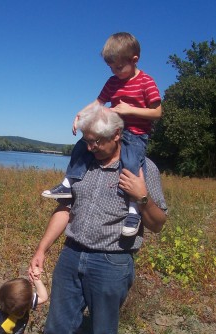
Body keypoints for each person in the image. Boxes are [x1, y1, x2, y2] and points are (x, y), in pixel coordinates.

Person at [30, 104, 167, 334]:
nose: (90, 147)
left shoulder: (144, 169)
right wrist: (42, 249)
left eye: (96, 142)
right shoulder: (82, 163)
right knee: (57, 325)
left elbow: (158, 223)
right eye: (87, 141)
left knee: (101, 333)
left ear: (117, 136)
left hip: (112, 262)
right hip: (72, 254)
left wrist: (142, 196)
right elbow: (65, 209)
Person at [42, 32, 162, 237]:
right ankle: (67, 183)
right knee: (82, 145)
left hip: (135, 134)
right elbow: (98, 103)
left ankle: (133, 211)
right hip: (113, 130)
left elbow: (157, 112)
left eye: (118, 67)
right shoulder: (112, 81)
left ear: (134, 60)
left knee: (131, 163)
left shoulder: (146, 82)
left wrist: (129, 110)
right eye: (110, 68)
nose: (115, 72)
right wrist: (81, 114)